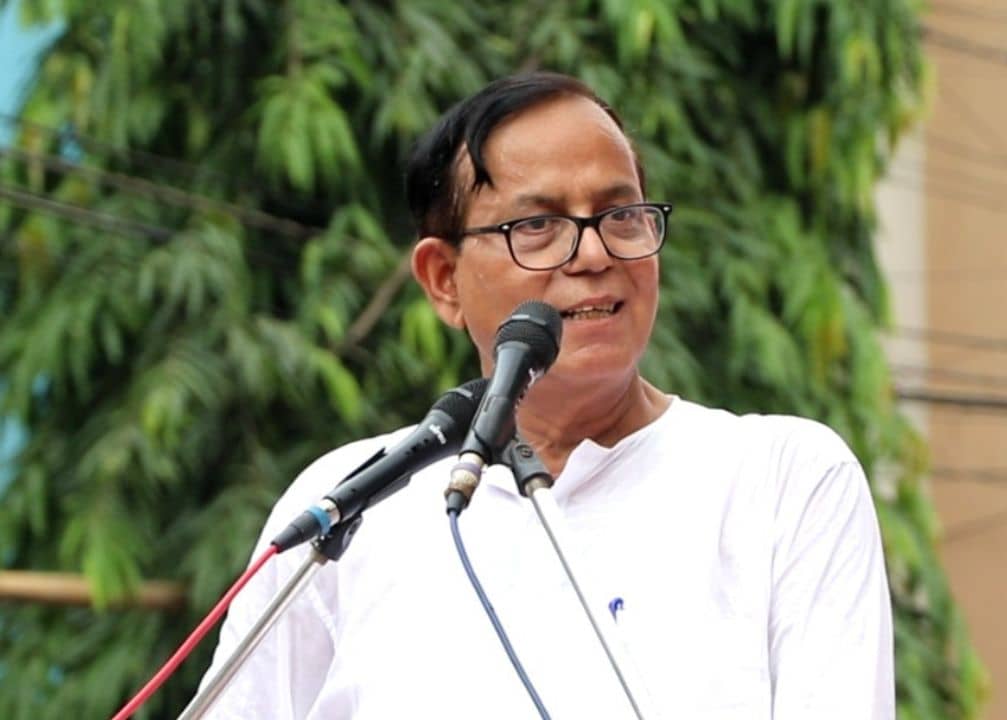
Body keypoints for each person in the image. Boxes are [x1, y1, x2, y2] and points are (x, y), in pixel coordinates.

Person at [198, 72, 894, 719]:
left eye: (621, 216)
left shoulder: (784, 480)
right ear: (443, 279)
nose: (595, 254)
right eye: (536, 226)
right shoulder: (350, 505)